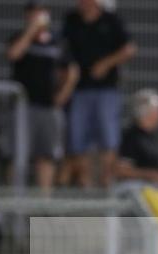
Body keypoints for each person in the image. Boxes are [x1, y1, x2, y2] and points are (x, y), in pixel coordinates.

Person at [6, 2, 79, 191]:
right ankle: (14, 204)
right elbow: (14, 54)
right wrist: (31, 31)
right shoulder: (19, 37)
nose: (36, 17)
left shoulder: (57, 41)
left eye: (40, 13)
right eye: (32, 13)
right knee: (18, 155)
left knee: (47, 156)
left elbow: (71, 71)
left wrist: (62, 95)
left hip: (49, 108)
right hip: (23, 107)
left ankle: (44, 205)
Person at [63, 0, 136, 188]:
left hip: (106, 90)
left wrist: (106, 63)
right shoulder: (72, 20)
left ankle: (107, 183)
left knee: (108, 139)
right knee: (78, 140)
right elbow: (63, 50)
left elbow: (129, 48)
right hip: (79, 90)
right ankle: (84, 184)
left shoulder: (111, 20)